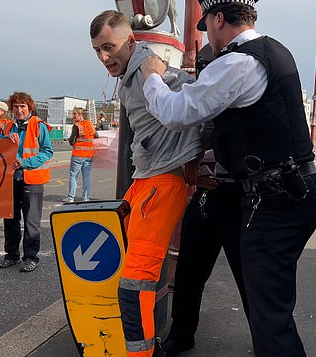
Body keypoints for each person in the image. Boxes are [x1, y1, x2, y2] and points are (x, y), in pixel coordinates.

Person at [141, 1, 316, 356]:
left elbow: (176, 112)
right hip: (279, 188)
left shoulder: (238, 61)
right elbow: (248, 131)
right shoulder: (272, 52)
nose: (209, 35)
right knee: (261, 296)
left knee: (269, 311)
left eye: (208, 24)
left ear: (219, 18)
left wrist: (151, 75)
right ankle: (184, 334)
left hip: (273, 197)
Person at [90, 10, 203, 357]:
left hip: (162, 181)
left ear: (131, 41)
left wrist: (194, 157)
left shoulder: (147, 69)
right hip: (148, 178)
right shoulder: (130, 75)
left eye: (109, 47)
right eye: (97, 50)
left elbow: (196, 99)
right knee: (138, 275)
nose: (104, 57)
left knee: (134, 283)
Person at [158, 44, 249, 357]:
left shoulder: (243, 96)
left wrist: (197, 161)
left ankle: (267, 340)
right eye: (202, 67)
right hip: (210, 193)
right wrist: (193, 165)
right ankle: (181, 334)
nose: (205, 73)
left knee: (249, 275)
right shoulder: (200, 97)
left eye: (209, 66)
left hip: (240, 194)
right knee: (188, 270)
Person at [0, 91, 53, 273]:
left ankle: (30, 257)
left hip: (32, 179)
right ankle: (11, 255)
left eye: (22, 106)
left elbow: (47, 151)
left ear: (30, 108)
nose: (19, 110)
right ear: (11, 108)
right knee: (10, 219)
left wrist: (26, 162)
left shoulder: (38, 125)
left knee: (31, 221)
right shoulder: (8, 126)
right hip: (10, 179)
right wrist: (5, 139)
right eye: (16, 106)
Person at [63, 107, 99, 202]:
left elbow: (72, 141)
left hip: (78, 155)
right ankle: (85, 197)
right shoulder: (90, 124)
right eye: (73, 114)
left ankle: (71, 197)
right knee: (86, 176)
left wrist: (72, 140)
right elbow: (96, 135)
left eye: (75, 114)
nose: (73, 116)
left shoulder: (77, 126)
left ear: (80, 115)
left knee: (73, 176)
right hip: (89, 155)